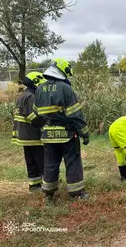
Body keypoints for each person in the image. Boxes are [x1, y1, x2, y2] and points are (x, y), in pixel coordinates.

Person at [34, 58, 90, 203]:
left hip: (48, 134)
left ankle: (48, 194)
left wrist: (45, 127)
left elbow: (35, 113)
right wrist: (84, 132)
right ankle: (76, 194)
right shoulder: (66, 88)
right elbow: (75, 114)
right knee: (72, 162)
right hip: (67, 134)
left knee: (50, 163)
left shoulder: (39, 89)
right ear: (63, 71)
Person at [11, 72, 46, 191]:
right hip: (33, 135)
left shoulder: (23, 95)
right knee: (42, 161)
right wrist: (45, 123)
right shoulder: (31, 96)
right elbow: (32, 116)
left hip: (24, 135)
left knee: (31, 162)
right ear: (36, 82)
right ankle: (47, 184)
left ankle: (34, 185)